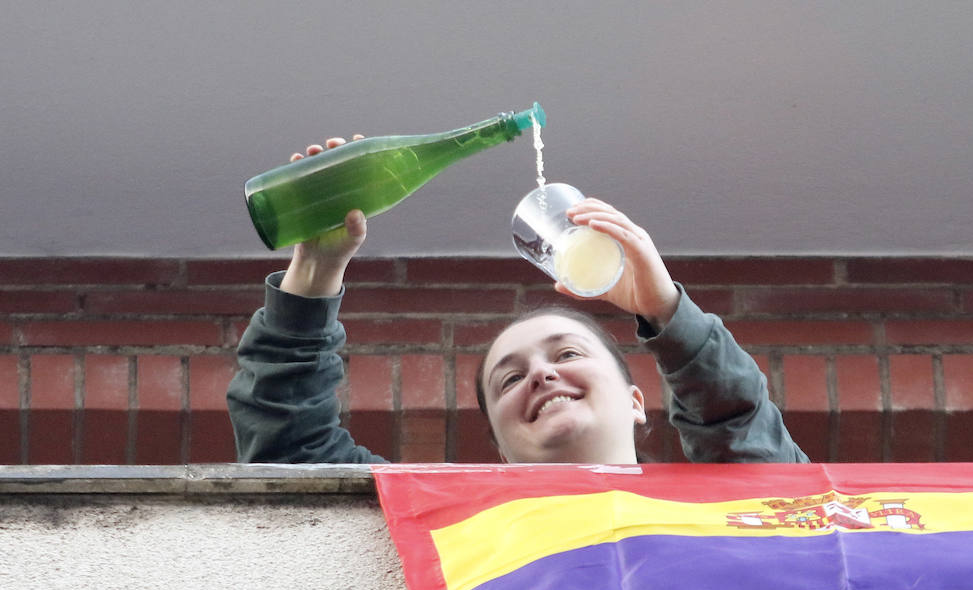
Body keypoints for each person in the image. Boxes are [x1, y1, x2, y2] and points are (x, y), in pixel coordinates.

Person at [228, 136, 807, 466]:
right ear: (499, 449)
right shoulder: (452, 518)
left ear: (637, 402)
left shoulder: (721, 511)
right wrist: (314, 267)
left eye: (568, 354)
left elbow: (742, 430)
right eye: (508, 380)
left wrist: (668, 315)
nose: (541, 375)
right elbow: (293, 455)